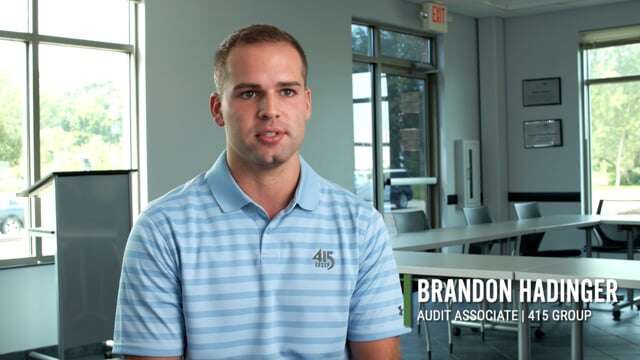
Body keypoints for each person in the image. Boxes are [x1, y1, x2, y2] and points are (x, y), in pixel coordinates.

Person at [113, 24, 409, 359]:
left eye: (287, 91)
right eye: (249, 93)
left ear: (307, 103)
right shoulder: (161, 229)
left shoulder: (361, 227)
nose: (270, 110)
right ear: (217, 109)